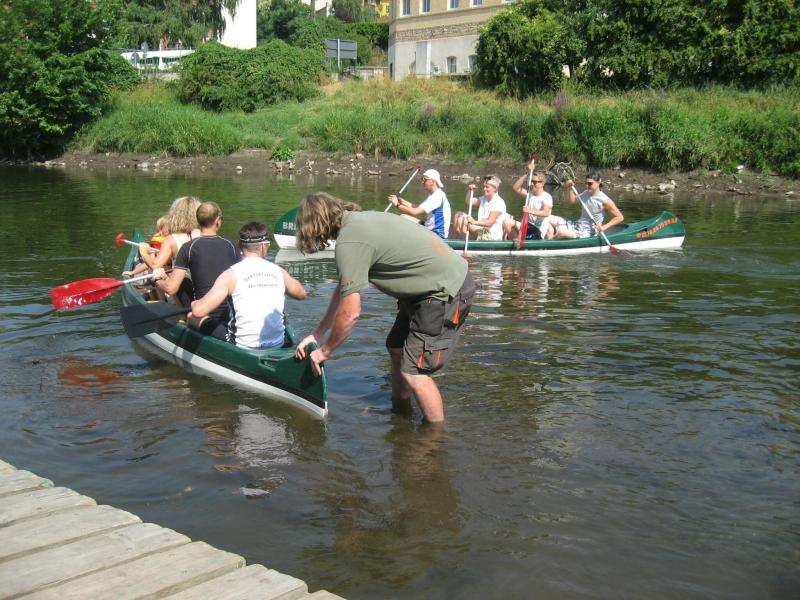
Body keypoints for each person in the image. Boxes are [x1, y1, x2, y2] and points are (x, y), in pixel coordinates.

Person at [294, 192, 474, 424]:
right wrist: (318, 333)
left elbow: (350, 314)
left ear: (314, 226)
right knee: (396, 349)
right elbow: (345, 288)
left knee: (414, 372)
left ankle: (434, 440)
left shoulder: (350, 241)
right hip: (423, 291)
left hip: (445, 290)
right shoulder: (357, 223)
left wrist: (325, 351)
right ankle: (400, 415)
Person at [189, 222, 307, 349]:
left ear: (240, 246)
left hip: (242, 346)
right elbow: (302, 294)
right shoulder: (279, 272)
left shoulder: (230, 275)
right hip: (277, 344)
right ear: (263, 247)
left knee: (192, 317)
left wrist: (194, 304)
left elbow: (198, 311)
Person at [153, 201, 240, 340]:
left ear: (198, 221)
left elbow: (171, 288)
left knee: (183, 281)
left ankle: (185, 319)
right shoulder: (232, 245)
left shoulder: (188, 247)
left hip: (202, 316)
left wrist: (158, 279)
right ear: (217, 220)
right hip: (231, 314)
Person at [553, 172, 624, 239]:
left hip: (588, 232)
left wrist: (604, 227)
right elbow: (572, 201)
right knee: (550, 219)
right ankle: (549, 241)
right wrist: (570, 188)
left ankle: (550, 242)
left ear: (598, 182)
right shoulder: (586, 193)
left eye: (590, 183)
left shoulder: (605, 200)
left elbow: (619, 217)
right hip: (577, 225)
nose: (587, 186)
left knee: (561, 233)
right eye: (586, 183)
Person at [387, 168, 451, 238]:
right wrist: (402, 201)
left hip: (437, 234)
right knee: (403, 217)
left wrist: (397, 205)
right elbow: (418, 207)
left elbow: (415, 212)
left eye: (425, 179)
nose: (422, 181)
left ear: (432, 181)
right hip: (429, 228)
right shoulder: (435, 194)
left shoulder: (436, 197)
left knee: (403, 220)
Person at [503, 162, 554, 240]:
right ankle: (515, 241)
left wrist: (529, 211)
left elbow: (545, 213)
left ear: (542, 184)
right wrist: (527, 173)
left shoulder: (546, 197)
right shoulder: (530, 194)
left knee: (508, 223)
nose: (532, 184)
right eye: (532, 181)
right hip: (527, 224)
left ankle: (516, 241)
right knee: (506, 221)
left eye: (535, 182)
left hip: (537, 230)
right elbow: (516, 188)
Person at [452, 175, 508, 241]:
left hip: (491, 236)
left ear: (495, 189)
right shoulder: (484, 199)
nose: (484, 189)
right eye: (484, 187)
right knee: (458, 214)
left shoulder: (498, 202)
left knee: (461, 220)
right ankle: (452, 240)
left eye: (487, 187)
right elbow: (468, 201)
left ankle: (465, 242)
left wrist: (474, 222)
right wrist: (470, 190)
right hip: (482, 230)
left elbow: (490, 222)